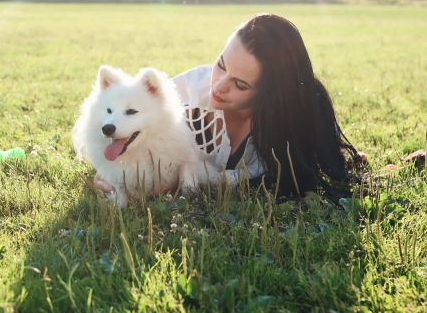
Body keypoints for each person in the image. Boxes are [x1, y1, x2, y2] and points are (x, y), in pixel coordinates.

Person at [94, 13, 365, 199]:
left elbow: (302, 175)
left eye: (240, 84)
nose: (219, 85)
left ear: (271, 95)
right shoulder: (184, 92)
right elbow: (121, 125)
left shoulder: (297, 121)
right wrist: (108, 172)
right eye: (222, 64)